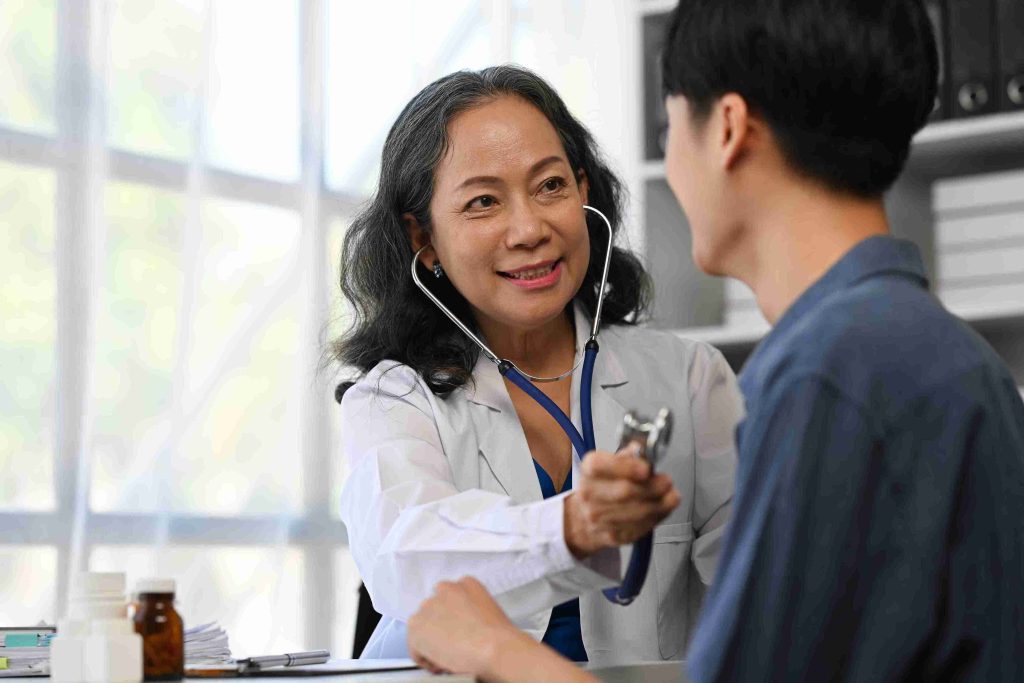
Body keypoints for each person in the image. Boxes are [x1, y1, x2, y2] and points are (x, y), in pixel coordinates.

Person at [405, 0, 1024, 680]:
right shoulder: (960, 359)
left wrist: (496, 651)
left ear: (726, 128)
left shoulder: (824, 379)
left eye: (672, 124)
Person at [334, 65, 742, 662]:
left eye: (550, 185)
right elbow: (405, 560)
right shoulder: (393, 400)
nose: (529, 229)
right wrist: (571, 529)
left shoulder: (688, 378)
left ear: (583, 191)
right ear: (422, 237)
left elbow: (756, 576)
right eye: (482, 202)